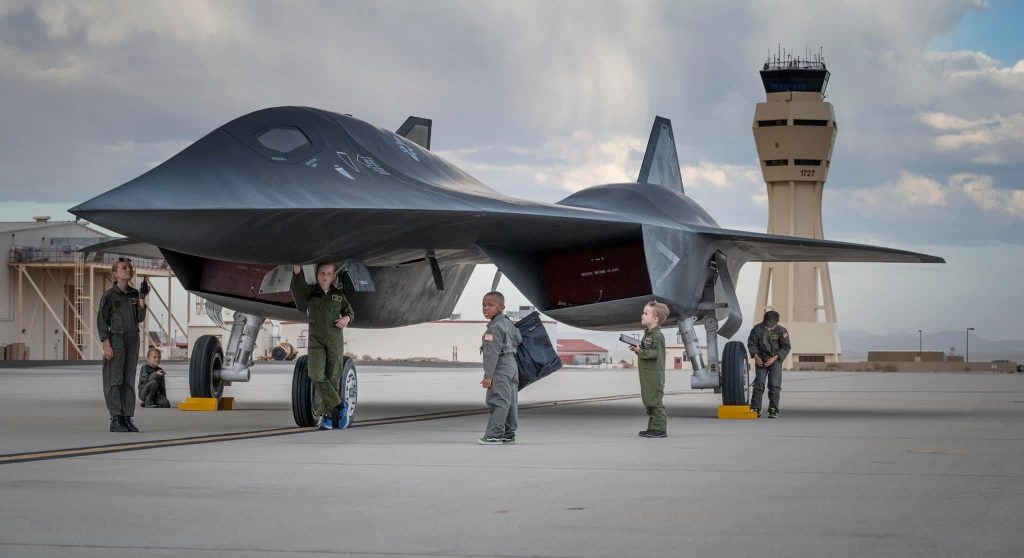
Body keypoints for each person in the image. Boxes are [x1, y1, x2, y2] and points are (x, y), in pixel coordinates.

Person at [290, 263, 354, 430]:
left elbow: (349, 312)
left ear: (333, 276)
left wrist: (345, 320)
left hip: (334, 340)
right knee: (316, 375)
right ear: (317, 275)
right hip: (316, 342)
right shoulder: (311, 293)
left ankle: (326, 417)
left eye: (328, 274)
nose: (325, 277)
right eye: (322, 273)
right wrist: (297, 269)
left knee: (332, 377)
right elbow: (298, 285)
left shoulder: (339, 295)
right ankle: (341, 406)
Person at [97, 258, 147, 432]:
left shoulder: (134, 294)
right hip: (116, 340)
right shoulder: (109, 296)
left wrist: (142, 299)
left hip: (133, 340)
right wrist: (106, 344)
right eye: (124, 268)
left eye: (130, 267)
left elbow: (140, 318)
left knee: (128, 380)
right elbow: (102, 321)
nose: (128, 270)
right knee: (114, 380)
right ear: (115, 274)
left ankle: (127, 417)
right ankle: (116, 418)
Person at [478, 291, 522, 445]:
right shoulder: (508, 323)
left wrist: (488, 377)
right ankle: (509, 434)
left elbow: (491, 355)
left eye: (490, 305)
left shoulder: (494, 328)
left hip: (501, 366)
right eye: (484, 305)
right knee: (510, 401)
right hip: (512, 365)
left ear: (501, 307)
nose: (485, 308)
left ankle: (494, 435)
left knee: (498, 400)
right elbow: (519, 338)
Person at [630, 301, 669, 438]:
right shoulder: (648, 334)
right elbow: (647, 351)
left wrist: (640, 351)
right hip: (647, 374)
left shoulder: (657, 336)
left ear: (655, 318)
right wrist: (638, 350)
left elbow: (654, 353)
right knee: (648, 401)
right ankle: (653, 428)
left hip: (654, 375)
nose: (642, 315)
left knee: (655, 402)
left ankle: (660, 429)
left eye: (646, 313)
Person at [746, 310, 791, 418]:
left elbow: (786, 347)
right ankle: (756, 408)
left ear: (776, 322)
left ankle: (773, 409)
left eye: (772, 325)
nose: (769, 327)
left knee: (774, 386)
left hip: (775, 361)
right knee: (759, 385)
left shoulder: (782, 331)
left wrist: (774, 359)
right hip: (761, 360)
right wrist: (755, 356)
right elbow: (751, 343)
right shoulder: (757, 329)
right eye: (767, 325)